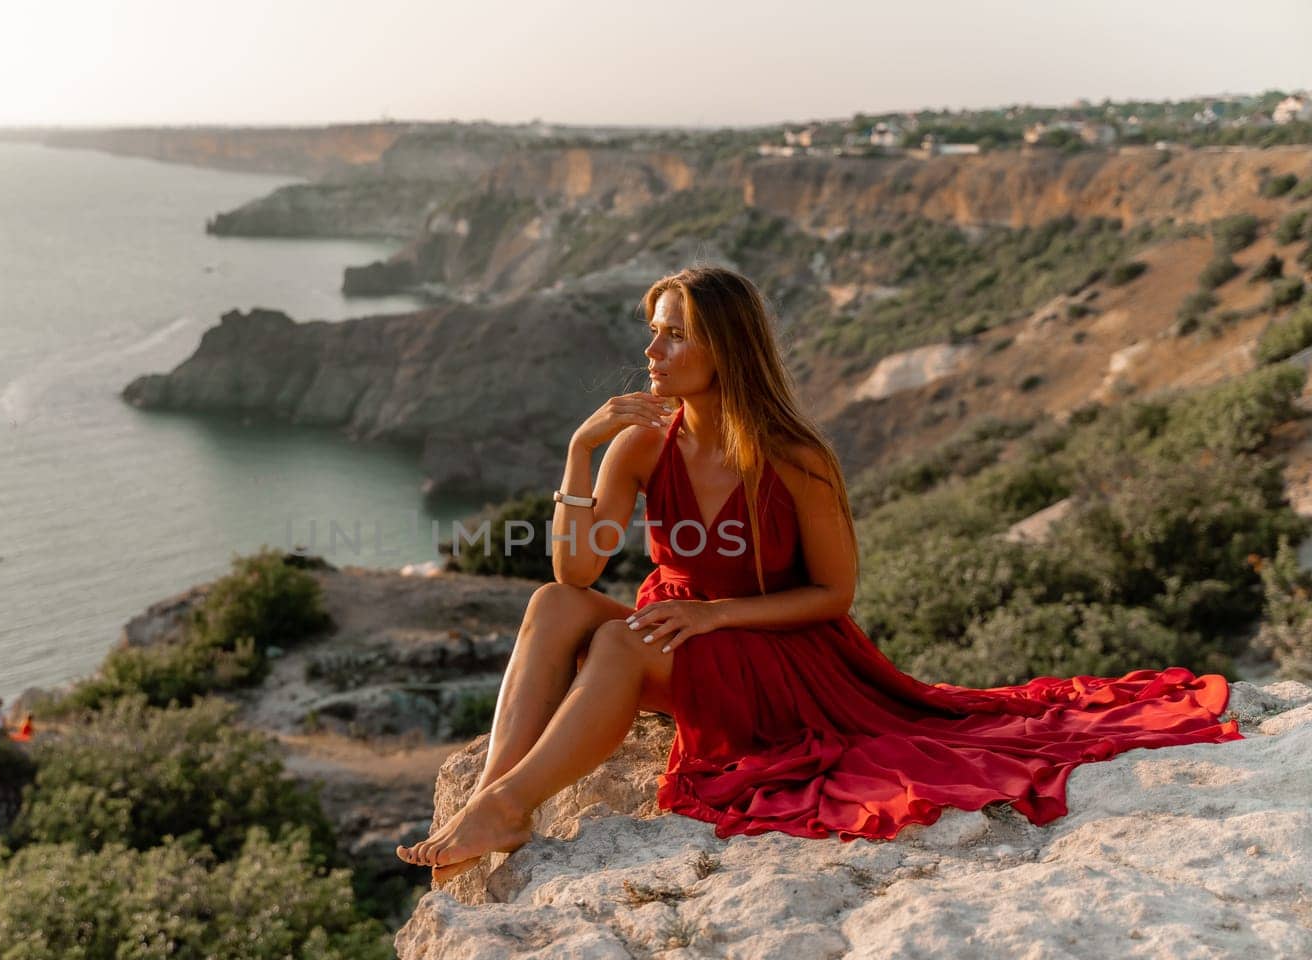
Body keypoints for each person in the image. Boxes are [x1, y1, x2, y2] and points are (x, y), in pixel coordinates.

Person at [396, 264, 1239, 886]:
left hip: (779, 653)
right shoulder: (638, 443)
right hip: (677, 632)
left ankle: (509, 807)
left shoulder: (795, 458)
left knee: (618, 644)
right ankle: (500, 794)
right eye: (651, 330)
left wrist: (717, 618)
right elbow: (574, 566)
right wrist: (580, 452)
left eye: (675, 332)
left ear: (725, 347)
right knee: (552, 603)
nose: (652, 350)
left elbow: (834, 594)